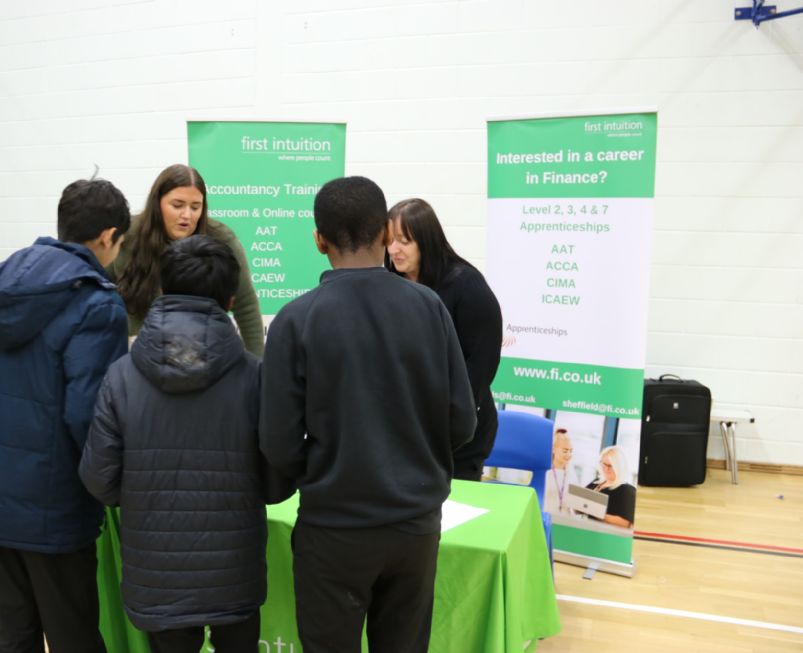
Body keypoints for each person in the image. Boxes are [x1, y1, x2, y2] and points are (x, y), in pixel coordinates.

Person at [260, 176, 476, 653]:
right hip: (415, 527)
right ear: (384, 232)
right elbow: (462, 422)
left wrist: (322, 474)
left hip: (333, 528)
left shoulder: (295, 321)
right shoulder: (430, 308)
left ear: (318, 240)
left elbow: (277, 441)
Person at [0, 178, 131, 653]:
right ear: (107, 237)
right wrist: (117, 485)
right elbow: (88, 416)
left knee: (14, 628)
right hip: (57, 510)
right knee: (73, 632)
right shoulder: (98, 304)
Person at [80, 235, 292, 653]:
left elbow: (100, 482)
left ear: (164, 289)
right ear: (231, 300)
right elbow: (277, 484)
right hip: (235, 573)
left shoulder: (121, 377)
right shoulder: (257, 378)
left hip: (156, 575)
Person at [386, 198, 503, 481]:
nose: (393, 250)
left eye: (403, 241)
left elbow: (483, 362)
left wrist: (453, 419)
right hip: (410, 426)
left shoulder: (465, 284)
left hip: (459, 430)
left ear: (425, 241)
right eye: (389, 241)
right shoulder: (391, 281)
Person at [109, 164, 264, 356]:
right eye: (177, 205)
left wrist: (259, 368)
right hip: (138, 357)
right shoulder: (127, 235)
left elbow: (246, 305)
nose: (187, 215)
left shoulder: (222, 240)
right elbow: (100, 294)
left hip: (202, 356)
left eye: (195, 207)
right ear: (158, 203)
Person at [586, 445, 637, 529]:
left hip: (605, 535)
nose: (606, 469)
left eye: (610, 466)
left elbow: (626, 523)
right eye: (604, 464)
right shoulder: (596, 482)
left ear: (619, 467)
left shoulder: (627, 490)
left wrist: (598, 515)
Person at [544, 428, 576, 514]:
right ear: (553, 449)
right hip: (545, 518)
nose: (569, 454)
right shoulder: (545, 471)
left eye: (571, 451)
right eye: (565, 451)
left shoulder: (571, 475)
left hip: (565, 520)